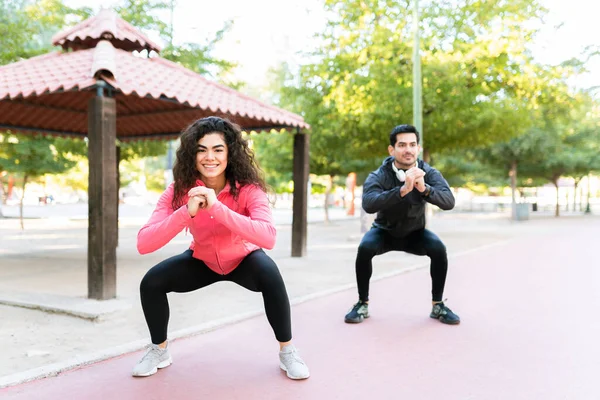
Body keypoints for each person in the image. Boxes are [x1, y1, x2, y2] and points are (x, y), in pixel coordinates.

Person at [133, 116, 310, 380]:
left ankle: (287, 350)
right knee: (151, 282)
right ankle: (159, 350)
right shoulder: (178, 191)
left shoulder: (249, 190)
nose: (209, 157)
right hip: (202, 260)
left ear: (230, 153)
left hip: (243, 259)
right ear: (192, 155)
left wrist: (218, 208)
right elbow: (144, 243)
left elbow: (268, 237)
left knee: (271, 275)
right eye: (201, 150)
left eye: (218, 149)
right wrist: (185, 212)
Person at [344, 124, 460, 325]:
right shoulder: (379, 175)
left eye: (413, 144)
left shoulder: (428, 172)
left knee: (439, 249)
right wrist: (402, 191)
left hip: (415, 233)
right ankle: (362, 303)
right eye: (402, 145)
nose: (408, 149)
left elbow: (449, 201)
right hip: (384, 232)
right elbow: (369, 204)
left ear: (418, 148)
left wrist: (425, 189)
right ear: (392, 150)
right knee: (365, 248)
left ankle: (437, 305)